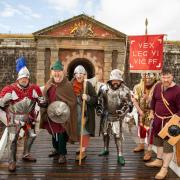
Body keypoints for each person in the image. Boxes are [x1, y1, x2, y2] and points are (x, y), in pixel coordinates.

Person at [0, 56, 46, 172]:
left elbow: (41, 102)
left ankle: (26, 154)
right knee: (12, 139)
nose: (24, 80)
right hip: (13, 119)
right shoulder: (9, 88)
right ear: (18, 78)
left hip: (28, 118)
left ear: (28, 78)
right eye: (22, 78)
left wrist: (43, 102)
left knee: (32, 135)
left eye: (26, 78)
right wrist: (4, 100)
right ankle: (12, 162)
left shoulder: (34, 88)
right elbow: (1, 103)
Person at [40, 59, 78, 164]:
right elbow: (45, 96)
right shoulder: (49, 83)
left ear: (63, 72)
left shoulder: (67, 85)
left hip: (63, 115)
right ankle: (56, 149)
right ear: (52, 72)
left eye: (59, 71)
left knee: (61, 133)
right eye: (55, 71)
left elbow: (73, 101)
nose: (57, 73)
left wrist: (64, 108)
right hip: (51, 113)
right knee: (53, 132)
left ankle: (62, 153)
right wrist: (43, 103)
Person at [145, 67, 180, 179]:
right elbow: (154, 101)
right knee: (158, 143)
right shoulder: (158, 86)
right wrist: (151, 112)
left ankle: (164, 168)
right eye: (163, 77)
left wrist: (174, 120)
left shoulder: (178, 90)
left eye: (168, 77)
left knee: (168, 147)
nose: (165, 80)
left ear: (172, 77)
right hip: (157, 120)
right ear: (160, 77)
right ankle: (159, 160)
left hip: (171, 124)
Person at [96, 69, 133, 165]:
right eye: (114, 80)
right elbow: (99, 100)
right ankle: (105, 149)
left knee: (118, 136)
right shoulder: (104, 88)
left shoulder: (125, 90)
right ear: (110, 80)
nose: (116, 82)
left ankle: (120, 155)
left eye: (118, 80)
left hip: (117, 116)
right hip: (106, 115)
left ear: (121, 80)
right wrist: (99, 108)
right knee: (105, 133)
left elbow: (129, 104)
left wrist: (122, 111)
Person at [71, 65, 97, 161]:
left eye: (81, 73)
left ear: (84, 75)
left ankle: (83, 151)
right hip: (74, 113)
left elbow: (95, 99)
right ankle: (81, 146)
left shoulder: (88, 85)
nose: (79, 75)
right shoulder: (71, 84)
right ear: (74, 74)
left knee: (84, 131)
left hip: (85, 113)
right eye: (77, 73)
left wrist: (88, 98)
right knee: (78, 130)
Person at [132, 73, 158, 161]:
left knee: (150, 132)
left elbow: (158, 100)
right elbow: (134, 100)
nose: (147, 79)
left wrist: (148, 98)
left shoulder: (157, 87)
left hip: (152, 113)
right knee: (141, 129)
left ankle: (149, 150)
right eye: (145, 76)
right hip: (141, 112)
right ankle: (141, 145)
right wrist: (139, 110)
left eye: (150, 77)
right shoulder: (137, 87)